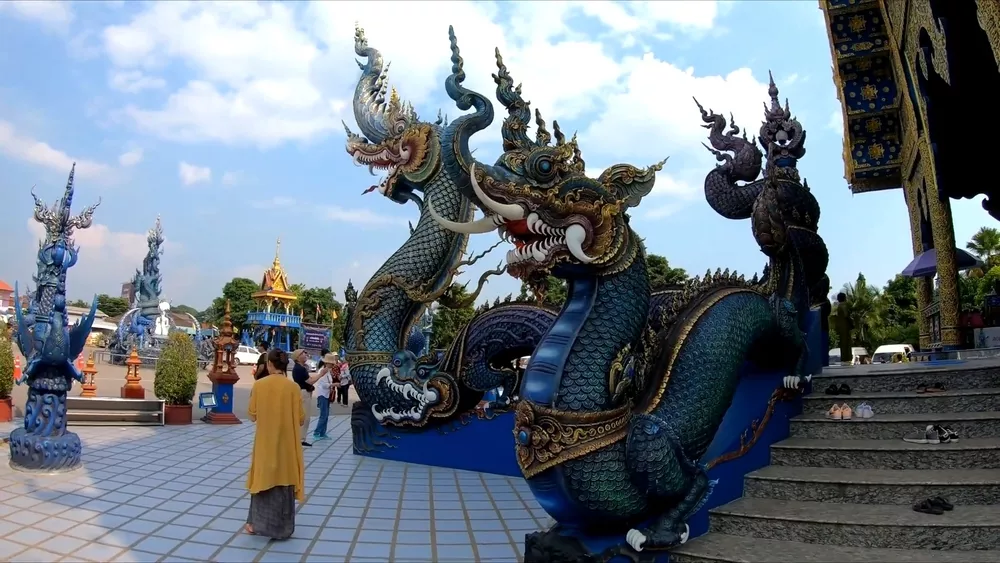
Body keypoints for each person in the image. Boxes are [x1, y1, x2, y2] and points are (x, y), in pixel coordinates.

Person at [245, 348, 304, 539]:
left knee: (262, 482)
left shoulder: (260, 385)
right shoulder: (293, 388)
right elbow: (301, 419)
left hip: (265, 445)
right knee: (284, 483)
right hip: (287, 447)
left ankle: (255, 525)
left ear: (269, 364)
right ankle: (284, 529)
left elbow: (252, 415)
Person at [290, 349, 324, 447]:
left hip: (303, 392)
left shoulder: (301, 367)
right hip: (303, 393)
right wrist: (321, 374)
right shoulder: (299, 369)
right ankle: (300, 439)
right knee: (305, 417)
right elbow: (310, 381)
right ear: (297, 357)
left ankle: (299, 438)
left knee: (303, 416)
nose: (305, 355)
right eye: (302, 353)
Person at [312, 353, 338, 441]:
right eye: (331, 363)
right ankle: (316, 432)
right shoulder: (322, 371)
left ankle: (322, 433)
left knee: (326, 415)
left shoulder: (328, 371)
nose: (332, 365)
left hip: (326, 395)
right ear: (327, 363)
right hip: (322, 395)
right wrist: (333, 384)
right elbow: (323, 385)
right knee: (323, 415)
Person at [833, 292, 854, 367]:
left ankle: (844, 358)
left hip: (841, 327)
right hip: (846, 327)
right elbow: (846, 315)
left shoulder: (839, 306)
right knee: (847, 343)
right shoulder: (844, 305)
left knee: (843, 343)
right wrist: (852, 323)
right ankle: (847, 358)